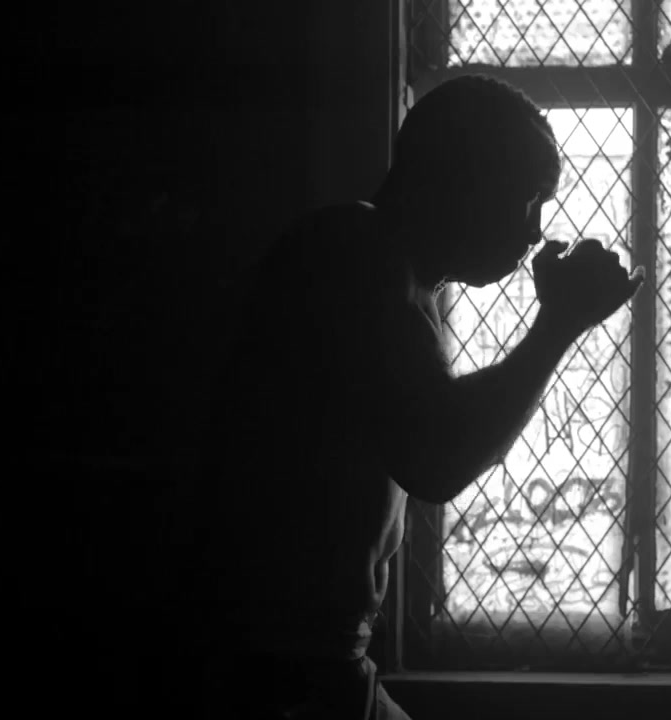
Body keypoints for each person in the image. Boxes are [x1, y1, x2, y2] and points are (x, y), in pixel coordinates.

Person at [193, 74, 643, 719]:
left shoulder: (382, 261)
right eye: (528, 199)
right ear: (464, 177)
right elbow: (436, 458)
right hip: (276, 668)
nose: (535, 233)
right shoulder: (358, 255)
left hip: (298, 657)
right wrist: (558, 325)